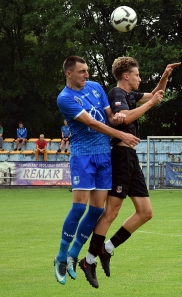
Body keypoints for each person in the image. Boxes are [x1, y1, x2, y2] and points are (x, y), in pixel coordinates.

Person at [81, 58, 181, 288]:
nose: (139, 78)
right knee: (112, 212)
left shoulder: (130, 95)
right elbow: (124, 118)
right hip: (120, 157)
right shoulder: (117, 93)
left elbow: (157, 93)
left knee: (145, 212)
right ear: (126, 76)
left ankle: (107, 249)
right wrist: (150, 105)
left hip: (131, 157)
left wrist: (165, 75)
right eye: (137, 75)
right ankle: (88, 260)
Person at [53, 55, 140, 286]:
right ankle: (61, 255)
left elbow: (109, 117)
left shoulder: (96, 87)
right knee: (79, 207)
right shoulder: (64, 98)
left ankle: (74, 254)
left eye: (87, 70)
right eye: (82, 71)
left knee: (95, 211)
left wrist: (119, 117)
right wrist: (121, 134)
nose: (87, 75)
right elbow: (91, 123)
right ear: (69, 73)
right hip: (83, 155)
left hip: (104, 155)